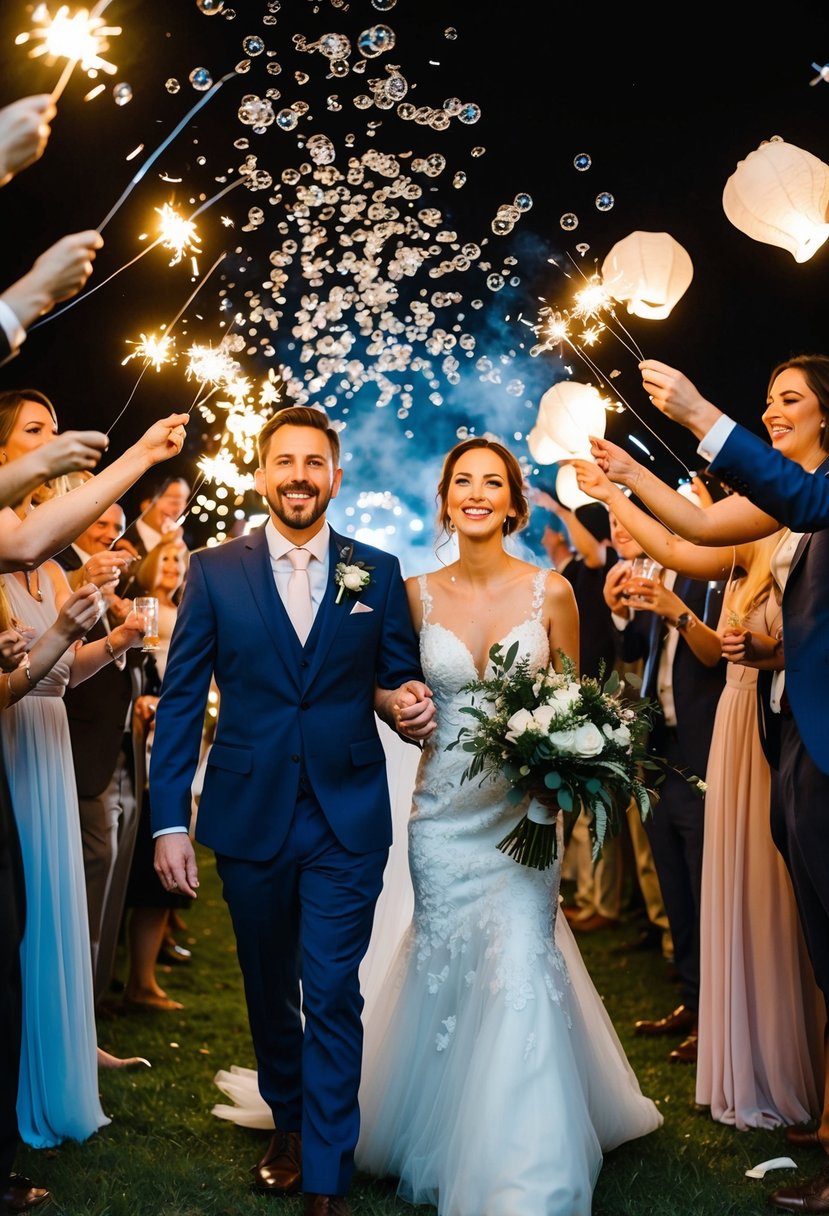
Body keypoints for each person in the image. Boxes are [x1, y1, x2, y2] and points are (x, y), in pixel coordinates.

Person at [352, 436, 662, 1215]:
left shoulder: (551, 591)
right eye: (464, 482)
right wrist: (400, 709)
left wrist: (565, 773)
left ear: (514, 502)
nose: (478, 493)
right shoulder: (413, 594)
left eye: (493, 482)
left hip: (526, 813)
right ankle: (443, 1121)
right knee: (448, 957)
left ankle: (522, 1158)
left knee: (519, 957)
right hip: (443, 814)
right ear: (447, 498)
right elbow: (387, 692)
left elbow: (578, 704)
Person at [149, 404, 435, 1216]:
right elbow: (179, 704)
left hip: (346, 815)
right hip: (248, 812)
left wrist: (406, 703)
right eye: (285, 462)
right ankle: (287, 1116)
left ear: (335, 477)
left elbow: (395, 676)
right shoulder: (211, 571)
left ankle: (326, 1178)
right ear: (261, 472)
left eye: (315, 463)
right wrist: (170, 818)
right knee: (269, 981)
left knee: (332, 987)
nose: (300, 476)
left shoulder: (374, 571)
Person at [606, 354, 829, 1211]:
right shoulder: (787, 501)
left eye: (788, 400)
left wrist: (702, 414)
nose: (772, 411)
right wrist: (624, 477)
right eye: (763, 398)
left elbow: (794, 500)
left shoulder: (809, 495)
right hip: (792, 731)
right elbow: (695, 536)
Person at [574, 452, 824, 1127]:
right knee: (723, 893)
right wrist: (614, 491)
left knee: (770, 900)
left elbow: (695, 566)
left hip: (757, 730)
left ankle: (791, 1066)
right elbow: (673, 538)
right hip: (720, 734)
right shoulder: (748, 544)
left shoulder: (794, 533)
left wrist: (761, 646)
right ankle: (740, 1042)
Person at [53, 505, 144, 1010]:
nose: (110, 534)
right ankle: (76, 1006)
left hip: (115, 747)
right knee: (91, 866)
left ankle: (90, 1004)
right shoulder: (65, 571)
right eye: (101, 523)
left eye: (117, 526)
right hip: (71, 743)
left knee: (104, 873)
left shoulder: (114, 587)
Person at [122, 541, 192, 1012]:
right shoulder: (144, 611)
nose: (172, 566)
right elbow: (144, 671)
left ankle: (148, 967)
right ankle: (136, 977)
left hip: (185, 729)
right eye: (165, 557)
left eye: (179, 559)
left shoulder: (182, 608)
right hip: (151, 728)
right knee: (150, 853)